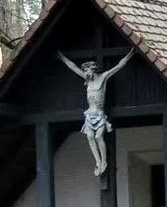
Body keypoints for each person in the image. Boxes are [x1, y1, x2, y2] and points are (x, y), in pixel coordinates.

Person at [57, 48, 135, 177]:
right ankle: (98, 162)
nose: (86, 73)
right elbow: (73, 67)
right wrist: (63, 58)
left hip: (99, 114)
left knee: (99, 137)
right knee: (89, 137)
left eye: (87, 70)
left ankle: (103, 161)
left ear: (93, 70)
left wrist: (129, 55)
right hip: (90, 114)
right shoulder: (87, 80)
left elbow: (118, 66)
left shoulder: (103, 78)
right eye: (85, 71)